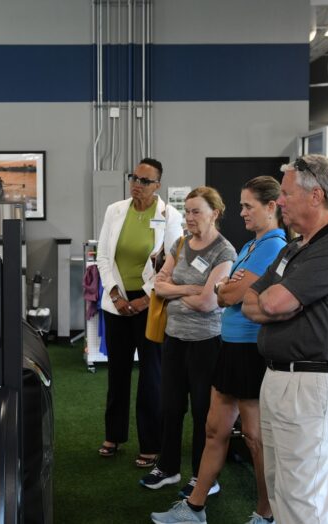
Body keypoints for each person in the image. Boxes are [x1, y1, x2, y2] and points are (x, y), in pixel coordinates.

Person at [238, 155, 328, 524]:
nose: (279, 202)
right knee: (282, 490)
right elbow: (251, 301)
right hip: (281, 378)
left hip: (312, 384)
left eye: (287, 194)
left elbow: (273, 299)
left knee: (303, 501)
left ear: (316, 196)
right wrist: (275, 305)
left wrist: (274, 303)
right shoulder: (295, 247)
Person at [150, 177, 286, 524]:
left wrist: (222, 289)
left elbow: (222, 297)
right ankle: (194, 508)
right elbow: (222, 292)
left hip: (248, 351)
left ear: (271, 208)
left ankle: (265, 513)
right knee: (214, 429)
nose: (242, 213)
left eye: (248, 206)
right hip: (230, 348)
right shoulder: (252, 246)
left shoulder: (272, 245)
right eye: (240, 206)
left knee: (255, 439)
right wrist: (217, 289)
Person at [141, 187, 236, 493]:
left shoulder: (225, 252)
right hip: (174, 338)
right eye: (188, 211)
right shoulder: (181, 243)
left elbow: (210, 303)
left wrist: (178, 290)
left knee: (201, 411)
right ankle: (168, 468)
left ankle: (202, 476)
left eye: (197, 211)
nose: (190, 217)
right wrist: (191, 289)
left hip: (206, 342)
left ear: (214, 214)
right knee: (170, 406)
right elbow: (159, 286)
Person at [95, 158, 183, 468]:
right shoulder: (115, 210)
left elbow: (172, 264)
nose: (138, 184)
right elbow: (103, 256)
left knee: (151, 376)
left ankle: (150, 443)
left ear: (158, 185)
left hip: (151, 305)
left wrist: (146, 299)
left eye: (146, 181)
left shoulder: (170, 216)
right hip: (117, 303)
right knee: (117, 373)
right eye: (135, 177)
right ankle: (114, 435)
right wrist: (116, 296)